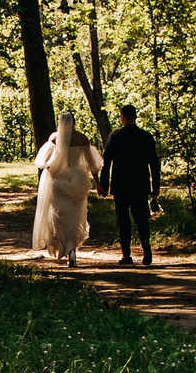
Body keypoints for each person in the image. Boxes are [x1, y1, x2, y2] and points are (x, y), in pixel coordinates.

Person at [31, 112, 101, 265]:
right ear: (74, 123)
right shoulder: (82, 138)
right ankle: (72, 249)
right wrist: (98, 183)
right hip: (78, 180)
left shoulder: (55, 138)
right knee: (77, 215)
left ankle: (68, 247)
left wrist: (54, 171)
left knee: (60, 216)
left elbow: (44, 162)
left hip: (60, 180)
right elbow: (92, 164)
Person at [102, 104, 160, 266]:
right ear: (135, 116)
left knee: (123, 218)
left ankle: (126, 255)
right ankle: (146, 247)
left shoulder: (115, 136)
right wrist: (156, 187)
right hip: (140, 183)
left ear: (123, 117)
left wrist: (104, 185)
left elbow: (106, 163)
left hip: (121, 184)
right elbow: (154, 164)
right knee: (142, 217)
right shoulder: (146, 137)